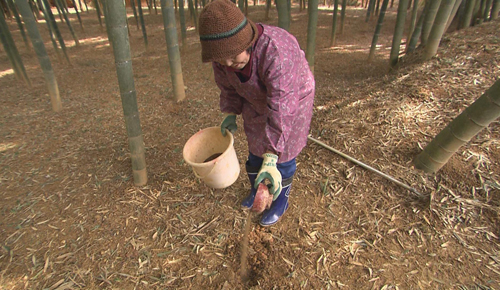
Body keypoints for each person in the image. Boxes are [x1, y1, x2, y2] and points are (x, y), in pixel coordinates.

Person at [198, 0, 315, 226]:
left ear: (247, 42)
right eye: (222, 60)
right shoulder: (223, 56)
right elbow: (228, 85)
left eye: (233, 57)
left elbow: (282, 107)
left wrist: (272, 157)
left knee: (282, 154)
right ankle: (258, 191)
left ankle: (280, 200)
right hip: (254, 97)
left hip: (292, 101)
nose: (228, 64)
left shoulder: (277, 53)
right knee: (255, 146)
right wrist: (230, 112)